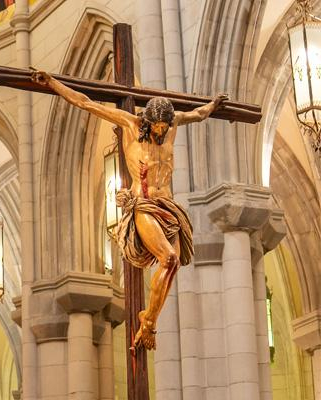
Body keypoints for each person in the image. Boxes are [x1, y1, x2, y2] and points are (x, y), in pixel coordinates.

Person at [31, 70, 228, 350]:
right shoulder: (131, 125)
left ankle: (149, 316)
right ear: (149, 121)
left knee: (173, 265)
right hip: (143, 206)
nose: (162, 131)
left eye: (165, 126)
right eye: (158, 126)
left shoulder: (173, 125)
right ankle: (149, 324)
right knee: (169, 259)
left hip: (168, 207)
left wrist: (213, 105)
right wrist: (53, 83)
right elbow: (86, 103)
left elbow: (197, 114)